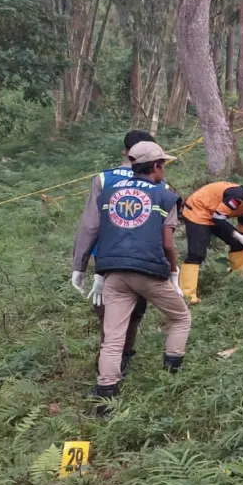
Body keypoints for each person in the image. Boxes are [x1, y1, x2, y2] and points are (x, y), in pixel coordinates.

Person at [88, 141, 189, 403]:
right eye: (163, 165)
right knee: (180, 318)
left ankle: (106, 394)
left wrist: (95, 271)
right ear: (155, 166)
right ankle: (172, 375)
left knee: (113, 339)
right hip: (148, 270)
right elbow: (167, 243)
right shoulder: (165, 195)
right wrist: (174, 274)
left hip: (113, 272)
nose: (163, 170)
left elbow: (97, 229)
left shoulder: (108, 192)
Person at [72, 130, 165, 375]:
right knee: (135, 309)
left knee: (109, 312)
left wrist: (79, 265)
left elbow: (90, 225)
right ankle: (124, 354)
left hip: (107, 260)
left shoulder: (103, 179)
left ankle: (108, 360)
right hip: (143, 260)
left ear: (125, 151)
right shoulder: (158, 181)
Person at [179, 181, 243, 304]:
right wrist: (239, 236)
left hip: (214, 215)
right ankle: (187, 296)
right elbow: (219, 219)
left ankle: (240, 279)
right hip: (198, 210)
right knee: (197, 253)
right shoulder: (237, 195)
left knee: (238, 244)